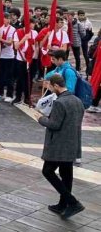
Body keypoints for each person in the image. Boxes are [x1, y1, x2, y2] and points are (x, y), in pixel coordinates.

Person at [39, 73, 85, 219]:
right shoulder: (78, 100)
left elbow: (54, 124)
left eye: (51, 87)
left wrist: (41, 119)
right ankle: (62, 204)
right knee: (66, 174)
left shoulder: (59, 103)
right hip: (72, 143)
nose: (51, 90)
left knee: (47, 171)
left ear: (56, 86)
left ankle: (72, 202)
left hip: (59, 145)